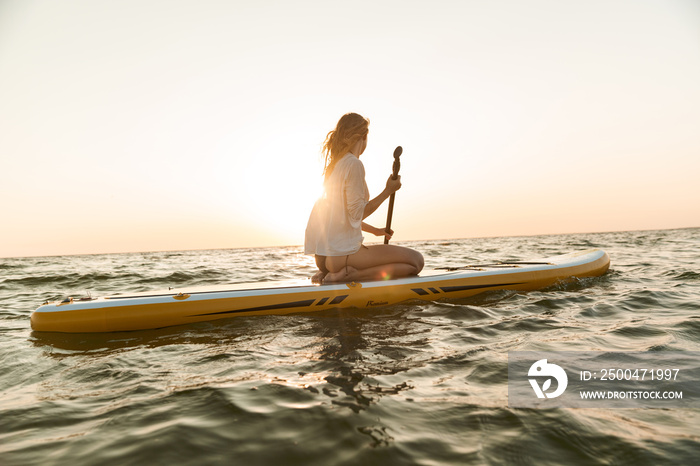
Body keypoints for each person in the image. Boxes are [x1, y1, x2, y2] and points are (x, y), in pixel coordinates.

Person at [304, 112, 424, 283]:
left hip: (324, 257)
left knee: (410, 263)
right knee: (416, 261)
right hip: (342, 256)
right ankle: (352, 274)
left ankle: (327, 273)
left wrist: (375, 231)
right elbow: (356, 214)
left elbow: (339, 217)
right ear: (364, 137)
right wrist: (388, 191)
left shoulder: (334, 166)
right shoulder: (354, 164)